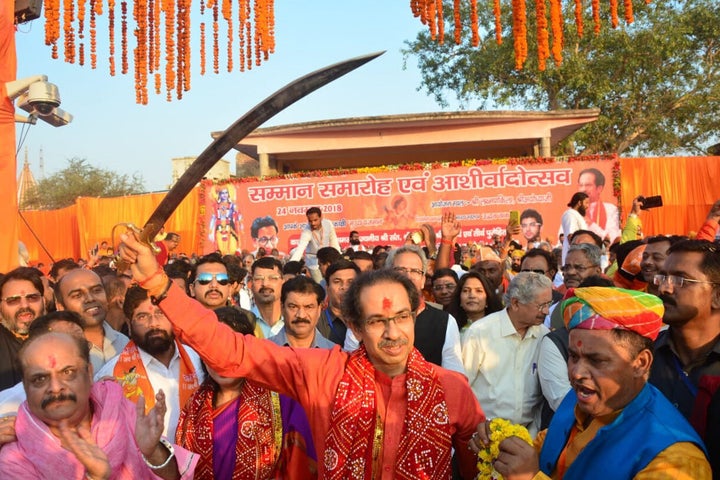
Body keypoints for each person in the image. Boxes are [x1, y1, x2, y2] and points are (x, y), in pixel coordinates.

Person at [118, 232, 487, 479]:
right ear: (355, 328)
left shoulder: (452, 389)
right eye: (377, 321)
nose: (393, 333)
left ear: (415, 315)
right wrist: (160, 285)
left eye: (401, 317)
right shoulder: (322, 371)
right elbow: (232, 351)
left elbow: (474, 470)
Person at [478, 287, 711, 479]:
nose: (577, 373)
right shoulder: (579, 401)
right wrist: (503, 442)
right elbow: (547, 447)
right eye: (573, 356)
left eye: (597, 360)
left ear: (640, 363)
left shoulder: (676, 458)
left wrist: (529, 477)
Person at [0, 328, 197, 478]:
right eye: (40, 379)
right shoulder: (14, 458)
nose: (55, 387)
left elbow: (174, 476)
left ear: (89, 372)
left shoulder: (123, 412)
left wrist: (153, 452)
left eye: (68, 372)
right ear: (25, 386)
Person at [176, 307, 317, 479]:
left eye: (230, 349)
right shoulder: (193, 407)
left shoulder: (283, 402)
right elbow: (181, 471)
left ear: (247, 352)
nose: (220, 359)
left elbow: (299, 468)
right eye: (211, 351)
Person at [95, 286, 204, 439]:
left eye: (160, 313)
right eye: (142, 316)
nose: (153, 323)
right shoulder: (111, 374)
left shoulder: (199, 360)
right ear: (129, 323)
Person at [650, 239, 720, 476]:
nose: (665, 289)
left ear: (717, 296)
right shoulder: (642, 360)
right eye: (662, 278)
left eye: (681, 280)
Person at [462, 272, 552, 436]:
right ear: (516, 303)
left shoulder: (543, 336)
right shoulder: (481, 332)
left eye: (548, 304)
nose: (546, 311)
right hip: (484, 435)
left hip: (528, 436)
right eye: (541, 305)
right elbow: (462, 385)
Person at [55, 268, 130, 372]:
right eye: (77, 295)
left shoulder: (124, 343)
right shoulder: (58, 352)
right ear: (61, 307)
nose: (90, 298)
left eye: (96, 290)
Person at [0, 267, 46, 391]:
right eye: (13, 300)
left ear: (44, 301)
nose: (24, 305)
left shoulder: (61, 338)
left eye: (32, 298)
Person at [269, 276, 335, 349]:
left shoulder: (335, 356)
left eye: (308, 307)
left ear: (319, 309)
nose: (301, 315)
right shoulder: (262, 353)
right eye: (293, 307)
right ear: (282, 308)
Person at [446, 271, 503, 340]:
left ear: (488, 299)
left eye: (479, 291)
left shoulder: (499, 329)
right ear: (459, 298)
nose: (472, 295)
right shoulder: (448, 328)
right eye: (466, 290)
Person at [290, 207, 341, 283]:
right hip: (313, 262)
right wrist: (291, 267)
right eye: (310, 221)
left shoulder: (328, 224)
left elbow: (334, 242)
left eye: (315, 220)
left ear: (321, 217)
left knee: (331, 280)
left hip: (326, 260)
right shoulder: (306, 231)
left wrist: (340, 257)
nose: (313, 223)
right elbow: (300, 249)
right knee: (320, 283)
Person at [319, 259, 359, 347]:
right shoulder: (316, 321)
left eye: (350, 282)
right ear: (327, 288)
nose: (344, 287)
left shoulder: (368, 320)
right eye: (337, 282)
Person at [577, 168, 621, 243]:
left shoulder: (610, 209)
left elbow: (611, 237)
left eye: (588, 185)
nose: (583, 189)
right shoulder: (574, 211)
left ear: (599, 188)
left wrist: (591, 224)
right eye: (581, 185)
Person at [249, 256, 285, 338]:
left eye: (272, 278)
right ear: (251, 284)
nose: (265, 284)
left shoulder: (294, 321)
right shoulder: (244, 322)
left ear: (283, 282)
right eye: (258, 279)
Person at [208, 186, 242, 255]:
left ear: (229, 194)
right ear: (219, 195)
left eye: (226, 193)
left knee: (232, 247)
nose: (224, 195)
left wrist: (239, 225)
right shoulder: (215, 205)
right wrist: (210, 231)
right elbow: (213, 217)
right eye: (222, 193)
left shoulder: (232, 205)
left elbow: (238, 216)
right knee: (220, 247)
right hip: (219, 228)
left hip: (230, 227)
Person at [561, 192, 589, 263]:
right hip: (574, 259)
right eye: (586, 203)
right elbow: (571, 236)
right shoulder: (570, 214)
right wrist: (578, 254)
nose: (587, 206)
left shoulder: (576, 215)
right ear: (579, 203)